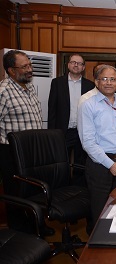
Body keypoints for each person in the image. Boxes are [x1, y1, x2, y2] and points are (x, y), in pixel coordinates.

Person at [77, 65, 116, 233]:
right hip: (100, 166)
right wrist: (111, 165)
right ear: (97, 82)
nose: (109, 82)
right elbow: (88, 142)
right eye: (104, 79)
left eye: (113, 79)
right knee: (100, 214)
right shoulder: (88, 105)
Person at [0, 50, 43, 232]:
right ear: (11, 70)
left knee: (32, 191)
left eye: (30, 65)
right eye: (24, 66)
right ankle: (18, 234)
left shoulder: (29, 87)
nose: (29, 69)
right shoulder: (3, 91)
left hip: (32, 151)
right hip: (11, 153)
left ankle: (35, 227)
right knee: (16, 195)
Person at [48, 53, 94, 186]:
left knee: (81, 162)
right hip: (63, 131)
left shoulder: (89, 85)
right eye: (73, 62)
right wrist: (52, 133)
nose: (76, 65)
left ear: (83, 67)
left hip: (82, 131)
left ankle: (78, 188)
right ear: (68, 65)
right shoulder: (57, 83)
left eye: (79, 63)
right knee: (62, 161)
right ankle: (61, 188)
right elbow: (52, 109)